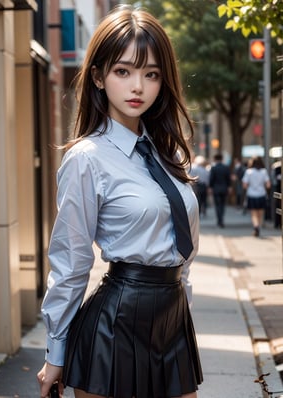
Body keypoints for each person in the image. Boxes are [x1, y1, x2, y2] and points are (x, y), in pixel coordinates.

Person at [37, 5, 203, 398]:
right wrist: (56, 352)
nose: (137, 87)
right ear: (98, 76)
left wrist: (183, 315)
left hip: (173, 321)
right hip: (115, 325)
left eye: (151, 74)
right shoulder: (87, 158)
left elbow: (185, 252)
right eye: (123, 71)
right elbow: (71, 261)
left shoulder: (167, 155)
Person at [242, 156, 271, 237]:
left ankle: (256, 226)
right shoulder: (264, 171)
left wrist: (251, 187)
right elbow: (268, 185)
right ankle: (258, 225)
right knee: (260, 213)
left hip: (251, 194)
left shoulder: (249, 172)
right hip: (261, 194)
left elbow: (244, 185)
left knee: (253, 213)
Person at [209, 153, 232, 228]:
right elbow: (228, 179)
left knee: (217, 205)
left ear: (215, 159)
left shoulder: (213, 168)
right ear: (222, 159)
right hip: (224, 188)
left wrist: (210, 187)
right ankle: (221, 220)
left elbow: (211, 179)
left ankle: (219, 220)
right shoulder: (226, 168)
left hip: (216, 189)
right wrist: (229, 187)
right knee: (222, 205)